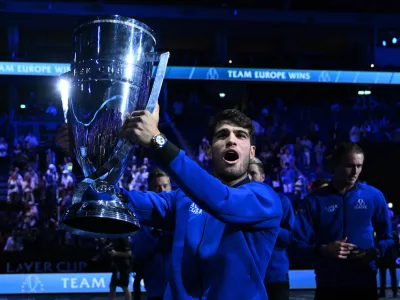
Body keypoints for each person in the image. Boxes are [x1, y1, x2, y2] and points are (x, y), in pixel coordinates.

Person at [56, 107, 283, 299]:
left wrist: (158, 141)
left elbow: (223, 201)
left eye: (240, 135)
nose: (231, 139)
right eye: (222, 135)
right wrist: (81, 159)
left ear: (252, 152)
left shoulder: (264, 199)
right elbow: (116, 200)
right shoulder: (182, 199)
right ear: (208, 149)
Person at [291, 142, 393, 300]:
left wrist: (374, 252)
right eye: (349, 166)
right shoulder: (313, 201)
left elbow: (388, 238)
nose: (355, 172)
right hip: (329, 286)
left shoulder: (374, 196)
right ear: (335, 165)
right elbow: (296, 245)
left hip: (365, 283)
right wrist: (324, 250)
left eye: (359, 166)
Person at [248, 158, 294, 300]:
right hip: (246, 277)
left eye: (253, 173)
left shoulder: (281, 201)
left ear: (262, 177)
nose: (249, 178)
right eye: (245, 174)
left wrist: (265, 225)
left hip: (275, 276)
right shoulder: (235, 203)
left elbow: (291, 238)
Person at [132, 169, 173, 300]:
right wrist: (154, 234)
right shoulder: (141, 224)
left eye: (165, 186)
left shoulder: (184, 217)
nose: (162, 190)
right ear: (149, 191)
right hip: (155, 292)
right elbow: (138, 254)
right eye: (157, 187)